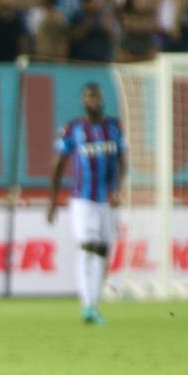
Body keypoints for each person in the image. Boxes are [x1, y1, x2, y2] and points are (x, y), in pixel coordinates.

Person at [47, 83, 127, 324]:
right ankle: (87, 305)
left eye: (96, 96)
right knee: (87, 245)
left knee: (102, 249)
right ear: (83, 101)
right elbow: (58, 163)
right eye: (88, 97)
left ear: (102, 99)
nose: (93, 101)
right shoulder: (73, 128)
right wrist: (52, 200)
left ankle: (93, 304)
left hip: (107, 199)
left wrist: (118, 188)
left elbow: (122, 160)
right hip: (82, 199)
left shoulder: (114, 127)